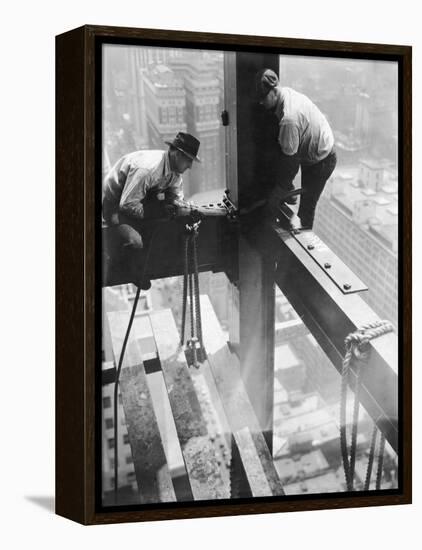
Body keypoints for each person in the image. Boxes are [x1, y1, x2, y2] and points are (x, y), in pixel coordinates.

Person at [102, 132, 201, 288]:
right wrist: (160, 211)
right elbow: (127, 205)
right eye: (188, 160)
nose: (190, 166)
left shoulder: (174, 172)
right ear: (175, 153)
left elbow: (175, 197)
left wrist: (183, 207)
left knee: (162, 225)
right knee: (137, 241)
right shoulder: (148, 169)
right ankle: (128, 269)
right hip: (113, 205)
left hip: (138, 201)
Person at [255, 68, 337, 229]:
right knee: (284, 183)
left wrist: (279, 191)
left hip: (322, 160)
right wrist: (286, 185)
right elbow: (287, 152)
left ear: (274, 91)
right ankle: (287, 192)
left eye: (263, 98)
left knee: (306, 209)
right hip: (310, 150)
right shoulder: (286, 93)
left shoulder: (289, 119)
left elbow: (290, 162)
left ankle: (305, 246)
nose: (261, 102)